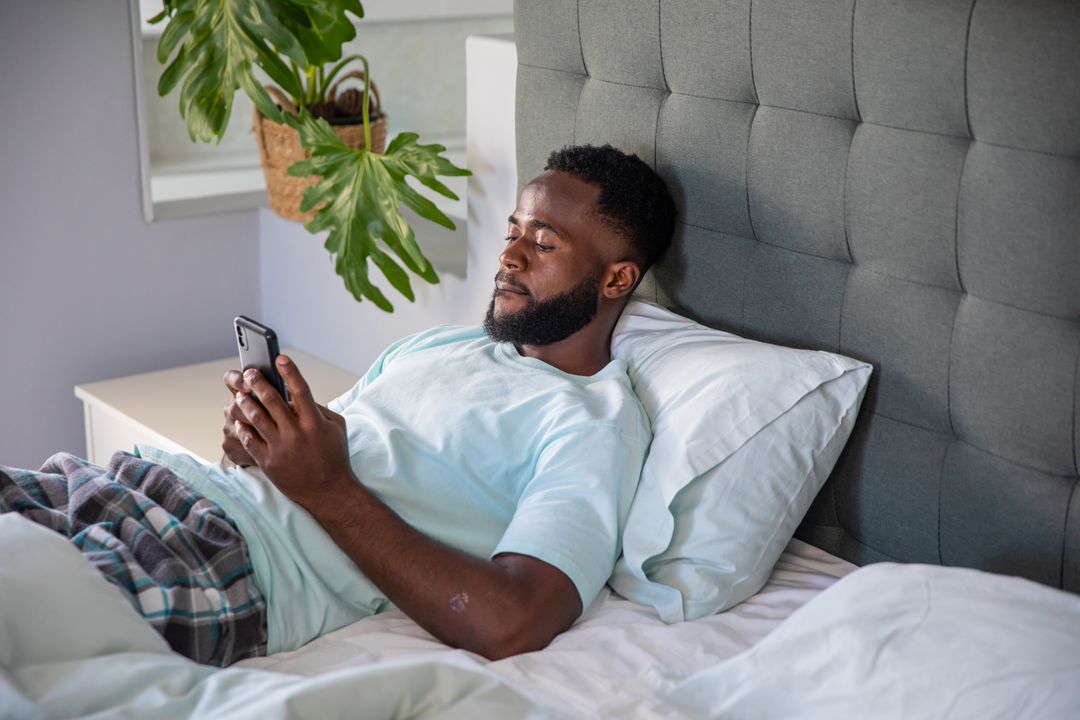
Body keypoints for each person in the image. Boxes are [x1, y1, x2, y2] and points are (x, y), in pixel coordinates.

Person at [0, 144, 677, 666]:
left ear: (618, 277)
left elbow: (516, 620)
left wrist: (322, 485)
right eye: (513, 230)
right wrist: (258, 442)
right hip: (140, 486)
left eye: (543, 242)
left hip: (219, 563)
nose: (508, 256)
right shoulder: (442, 345)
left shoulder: (594, 424)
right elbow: (313, 468)